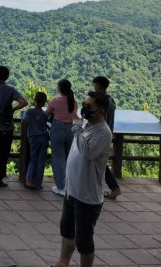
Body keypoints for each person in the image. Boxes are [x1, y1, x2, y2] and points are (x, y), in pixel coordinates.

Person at [52, 91, 112, 267]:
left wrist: (78, 128)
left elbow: (88, 152)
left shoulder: (103, 132)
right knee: (67, 231)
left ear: (101, 110)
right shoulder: (86, 126)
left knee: (84, 240)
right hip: (72, 191)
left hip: (87, 196)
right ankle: (63, 262)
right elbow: (75, 152)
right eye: (84, 104)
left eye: (89, 106)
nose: (85, 108)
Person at [47, 79, 78, 196]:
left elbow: (47, 114)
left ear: (59, 88)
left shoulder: (55, 101)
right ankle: (69, 186)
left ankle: (60, 187)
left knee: (58, 158)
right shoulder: (74, 102)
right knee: (69, 158)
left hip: (58, 130)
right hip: (71, 130)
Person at [92, 75, 121, 200]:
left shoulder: (101, 102)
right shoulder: (111, 101)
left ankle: (114, 188)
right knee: (100, 162)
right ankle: (113, 188)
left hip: (100, 134)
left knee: (99, 162)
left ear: (98, 86)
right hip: (107, 134)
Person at [22, 92, 48, 190]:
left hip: (33, 138)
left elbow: (24, 122)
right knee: (41, 161)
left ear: (35, 100)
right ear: (44, 102)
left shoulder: (29, 111)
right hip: (44, 137)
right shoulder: (44, 113)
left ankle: (28, 181)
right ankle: (38, 183)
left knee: (33, 160)